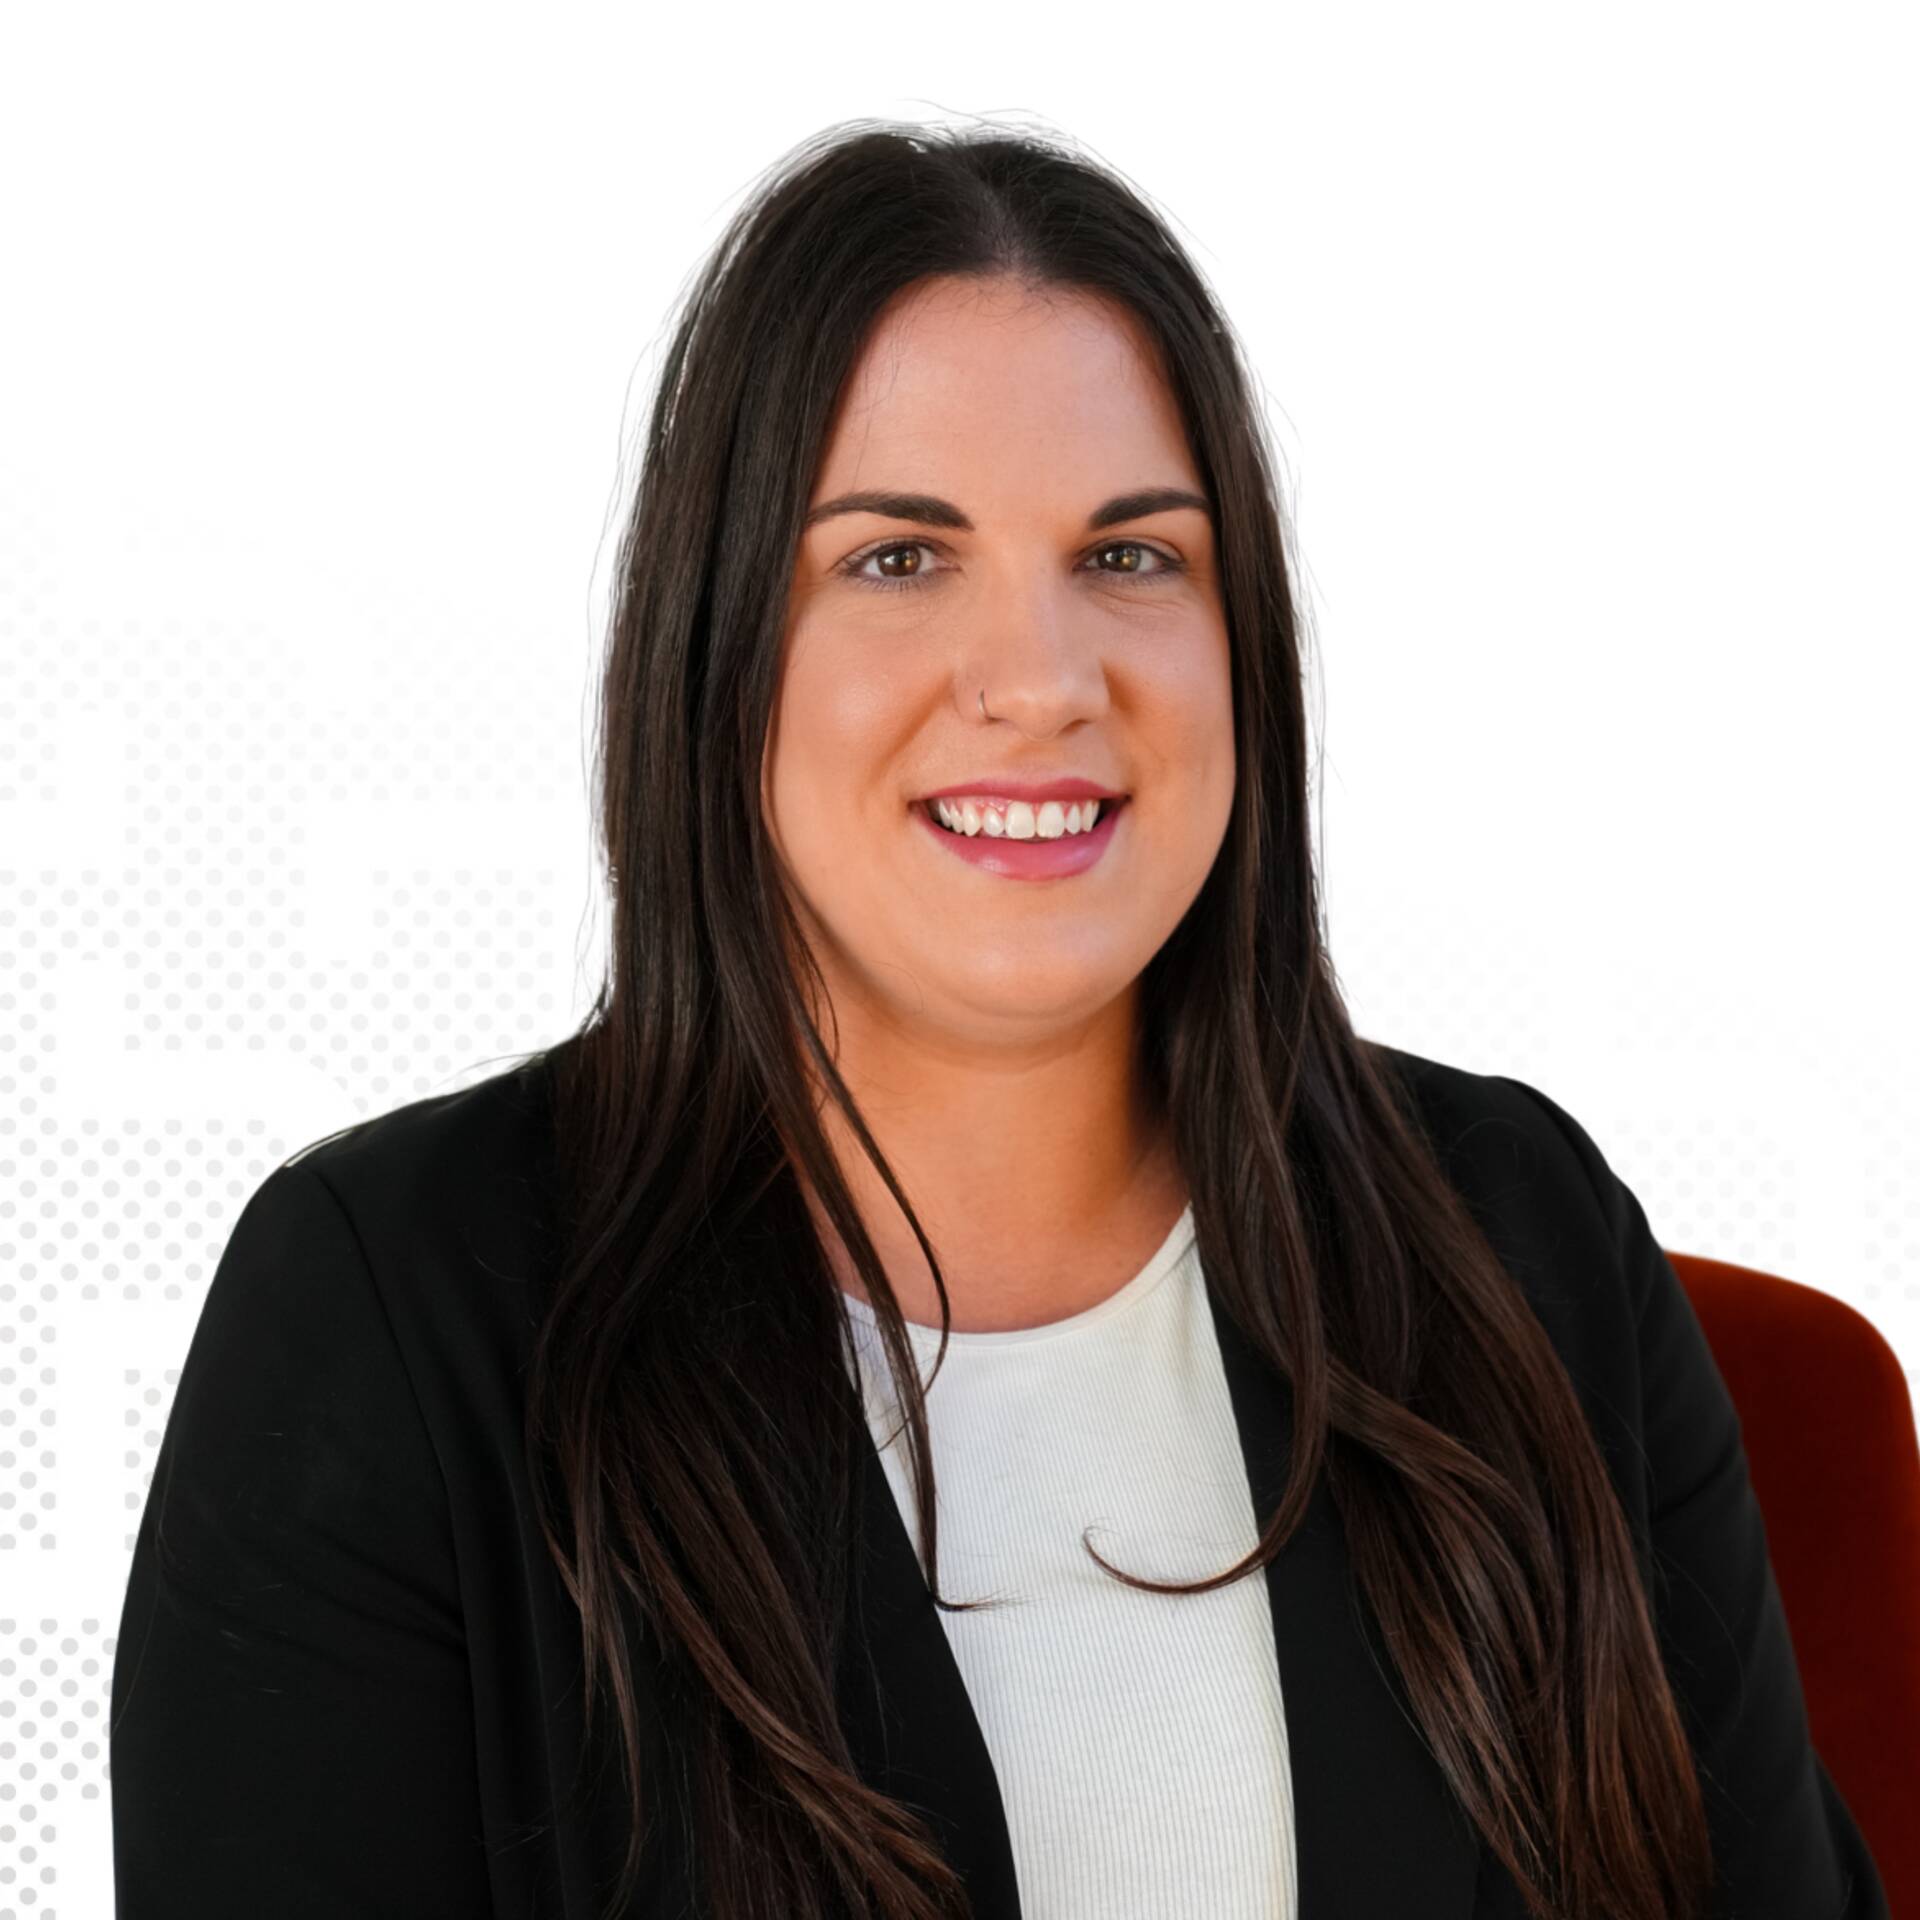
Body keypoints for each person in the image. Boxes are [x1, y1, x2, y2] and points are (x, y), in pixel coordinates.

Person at [108, 119, 1890, 1920]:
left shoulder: (1521, 1239)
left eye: (1133, 557)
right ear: (719, 653)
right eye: (899, 559)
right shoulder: (397, 1321)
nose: (1041, 679)